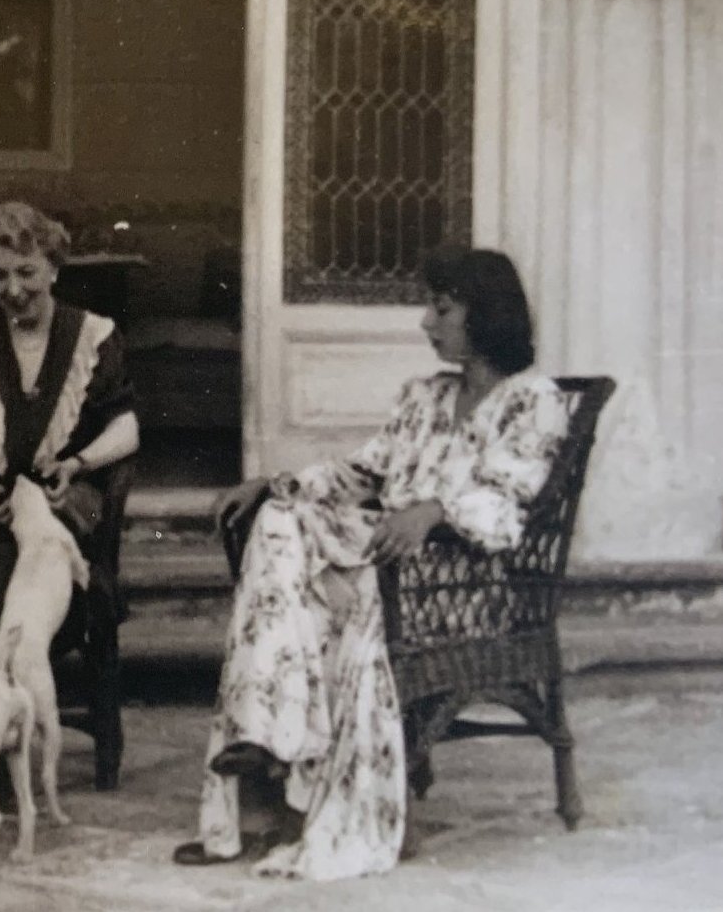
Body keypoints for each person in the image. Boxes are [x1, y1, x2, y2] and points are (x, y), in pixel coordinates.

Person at [172, 247, 569, 880]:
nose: (424, 323)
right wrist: (275, 483)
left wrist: (434, 511)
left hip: (464, 582)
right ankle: (264, 734)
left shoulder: (534, 401)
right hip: (386, 566)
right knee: (277, 517)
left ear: (486, 314)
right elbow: (364, 472)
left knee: (322, 599)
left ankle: (273, 743)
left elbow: (513, 498)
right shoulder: (424, 396)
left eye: (440, 309)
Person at [0, 202, 139, 675]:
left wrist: (77, 464)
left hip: (59, 502)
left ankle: (25, 685)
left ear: (54, 268)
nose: (13, 290)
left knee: (48, 547)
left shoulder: (93, 338)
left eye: (26, 272)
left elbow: (127, 427)